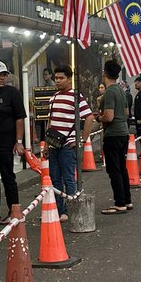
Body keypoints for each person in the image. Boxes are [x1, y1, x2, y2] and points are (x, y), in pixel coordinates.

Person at [46, 64, 95, 221]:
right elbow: (50, 121)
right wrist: (46, 144)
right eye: (56, 78)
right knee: (55, 179)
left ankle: (72, 209)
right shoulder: (53, 98)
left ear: (69, 79)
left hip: (68, 145)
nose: (58, 81)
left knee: (68, 178)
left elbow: (89, 117)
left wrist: (82, 139)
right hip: (54, 145)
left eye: (61, 78)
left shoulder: (76, 97)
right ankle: (61, 211)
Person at [0, 60, 26, 223]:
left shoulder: (12, 93)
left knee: (8, 177)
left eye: (4, 75)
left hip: (6, 144)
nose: (2, 78)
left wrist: (19, 141)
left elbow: (19, 118)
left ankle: (13, 210)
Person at [98, 59, 132, 214]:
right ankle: (127, 200)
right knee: (122, 168)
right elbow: (126, 113)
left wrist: (99, 117)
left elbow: (109, 117)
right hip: (123, 132)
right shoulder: (120, 90)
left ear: (105, 72)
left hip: (113, 134)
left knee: (114, 169)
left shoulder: (110, 92)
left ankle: (119, 203)